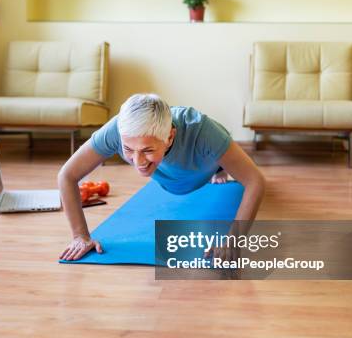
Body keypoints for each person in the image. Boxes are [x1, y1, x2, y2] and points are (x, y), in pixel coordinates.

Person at [58, 94, 265, 261]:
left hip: (205, 165)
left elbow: (255, 181)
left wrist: (233, 241)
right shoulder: (116, 130)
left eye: (147, 150)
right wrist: (80, 236)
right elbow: (67, 175)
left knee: (220, 151)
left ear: (170, 137)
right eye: (128, 149)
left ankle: (221, 167)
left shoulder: (201, 130)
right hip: (172, 177)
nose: (137, 161)